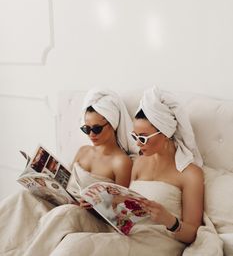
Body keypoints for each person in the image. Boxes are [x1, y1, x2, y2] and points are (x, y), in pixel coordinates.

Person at [48, 86, 223, 256]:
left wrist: (169, 220)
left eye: (143, 138)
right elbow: (124, 210)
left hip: (160, 241)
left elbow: (193, 234)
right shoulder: (139, 163)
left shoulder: (190, 174)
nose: (137, 144)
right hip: (128, 233)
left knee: (76, 247)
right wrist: (102, 203)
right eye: (134, 136)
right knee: (69, 233)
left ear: (165, 133)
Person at [0, 88, 138, 256]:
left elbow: (121, 209)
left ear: (113, 125)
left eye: (96, 129)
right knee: (23, 196)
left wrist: (96, 205)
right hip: (66, 203)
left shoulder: (121, 162)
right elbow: (65, 182)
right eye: (86, 129)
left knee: (66, 213)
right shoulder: (83, 151)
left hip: (91, 217)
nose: (91, 135)